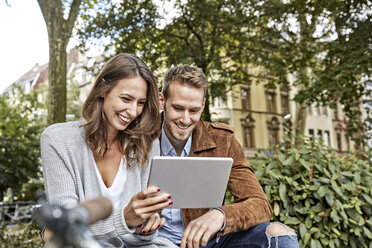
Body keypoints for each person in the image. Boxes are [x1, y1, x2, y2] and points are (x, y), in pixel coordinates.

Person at [40, 53, 178, 247]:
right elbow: (68, 225)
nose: (133, 111)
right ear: (104, 88)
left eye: (140, 103)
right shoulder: (57, 140)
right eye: (126, 98)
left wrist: (145, 226)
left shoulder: (147, 142)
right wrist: (125, 220)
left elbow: (143, 238)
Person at [157, 65, 300, 248]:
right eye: (178, 108)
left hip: (207, 242)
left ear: (203, 105)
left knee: (281, 235)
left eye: (193, 111)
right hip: (152, 241)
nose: (185, 120)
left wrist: (220, 215)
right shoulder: (140, 136)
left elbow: (260, 205)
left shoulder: (223, 140)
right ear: (162, 101)